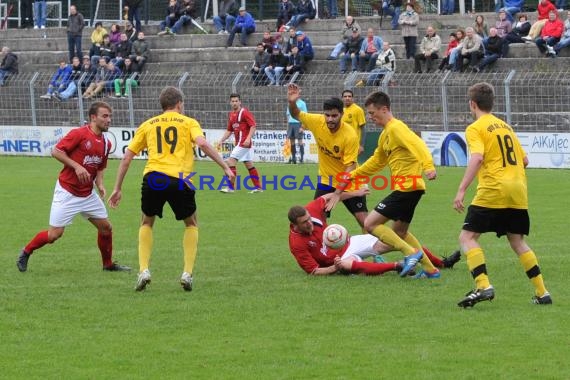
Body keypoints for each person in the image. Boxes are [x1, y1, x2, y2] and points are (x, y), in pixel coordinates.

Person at [108, 87, 233, 291]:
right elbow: (202, 144)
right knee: (191, 223)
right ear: (179, 104)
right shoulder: (189, 122)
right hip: (181, 179)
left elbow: (127, 157)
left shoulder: (148, 124)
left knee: (146, 222)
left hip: (153, 177)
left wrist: (117, 187)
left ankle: (144, 270)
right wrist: (225, 166)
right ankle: (187, 273)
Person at [453, 82, 552, 307]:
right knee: (517, 241)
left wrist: (461, 190)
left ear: (472, 104)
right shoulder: (505, 126)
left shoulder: (476, 127)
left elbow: (477, 158)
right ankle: (542, 292)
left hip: (493, 189)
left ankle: (483, 285)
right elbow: (524, 160)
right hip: (518, 190)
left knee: (467, 238)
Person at [326, 90, 440, 279]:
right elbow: (377, 162)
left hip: (407, 187)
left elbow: (418, 144)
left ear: (384, 109)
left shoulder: (396, 128)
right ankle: (431, 270)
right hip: (409, 189)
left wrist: (428, 166)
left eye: (372, 113)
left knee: (370, 224)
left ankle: (410, 253)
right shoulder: (386, 134)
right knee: (401, 231)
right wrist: (352, 175)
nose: (370, 117)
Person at [17, 102, 130, 273]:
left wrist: (99, 184)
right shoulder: (79, 134)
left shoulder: (106, 143)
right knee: (54, 234)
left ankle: (108, 265)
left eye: (110, 116)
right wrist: (76, 166)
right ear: (93, 117)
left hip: (87, 194)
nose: (109, 120)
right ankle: (26, 251)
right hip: (67, 191)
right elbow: (56, 151)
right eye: (105, 116)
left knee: (106, 228)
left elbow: (100, 167)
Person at [287, 83, 367, 229]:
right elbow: (296, 114)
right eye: (327, 115)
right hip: (327, 179)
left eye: (334, 116)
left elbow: (351, 166)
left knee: (366, 223)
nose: (330, 119)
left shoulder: (350, 135)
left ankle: (375, 249)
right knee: (316, 218)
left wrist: (337, 193)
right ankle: (322, 249)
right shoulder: (317, 121)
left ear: (341, 115)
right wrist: (292, 102)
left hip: (350, 180)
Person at [288, 193, 404, 276]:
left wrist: (355, 193)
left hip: (350, 242)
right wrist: (334, 267)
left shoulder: (311, 209)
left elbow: (329, 197)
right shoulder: (296, 243)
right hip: (339, 260)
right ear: (294, 225)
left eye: (309, 218)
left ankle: (420, 254)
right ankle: (397, 266)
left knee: (391, 240)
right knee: (346, 265)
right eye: (304, 222)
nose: (309, 223)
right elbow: (314, 271)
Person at [217, 93, 263, 193]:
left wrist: (248, 138)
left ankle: (230, 188)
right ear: (230, 102)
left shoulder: (244, 112)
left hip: (244, 143)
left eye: (236, 101)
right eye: (232, 101)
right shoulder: (231, 115)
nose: (234, 103)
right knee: (249, 164)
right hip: (240, 143)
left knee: (230, 161)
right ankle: (258, 188)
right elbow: (229, 130)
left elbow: (253, 126)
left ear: (240, 102)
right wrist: (221, 140)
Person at [341, 90, 366, 156]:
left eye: (349, 96)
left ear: (353, 98)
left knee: (351, 163)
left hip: (354, 143)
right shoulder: (341, 110)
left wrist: (361, 145)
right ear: (342, 98)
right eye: (345, 96)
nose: (347, 98)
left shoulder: (358, 110)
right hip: (343, 142)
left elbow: (363, 128)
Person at [286, 88, 307, 164]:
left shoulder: (302, 103)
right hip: (291, 124)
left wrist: (302, 127)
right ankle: (293, 158)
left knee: (300, 141)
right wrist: (287, 126)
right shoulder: (290, 103)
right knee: (292, 141)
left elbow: (305, 115)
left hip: (298, 123)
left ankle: (301, 158)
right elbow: (288, 115)